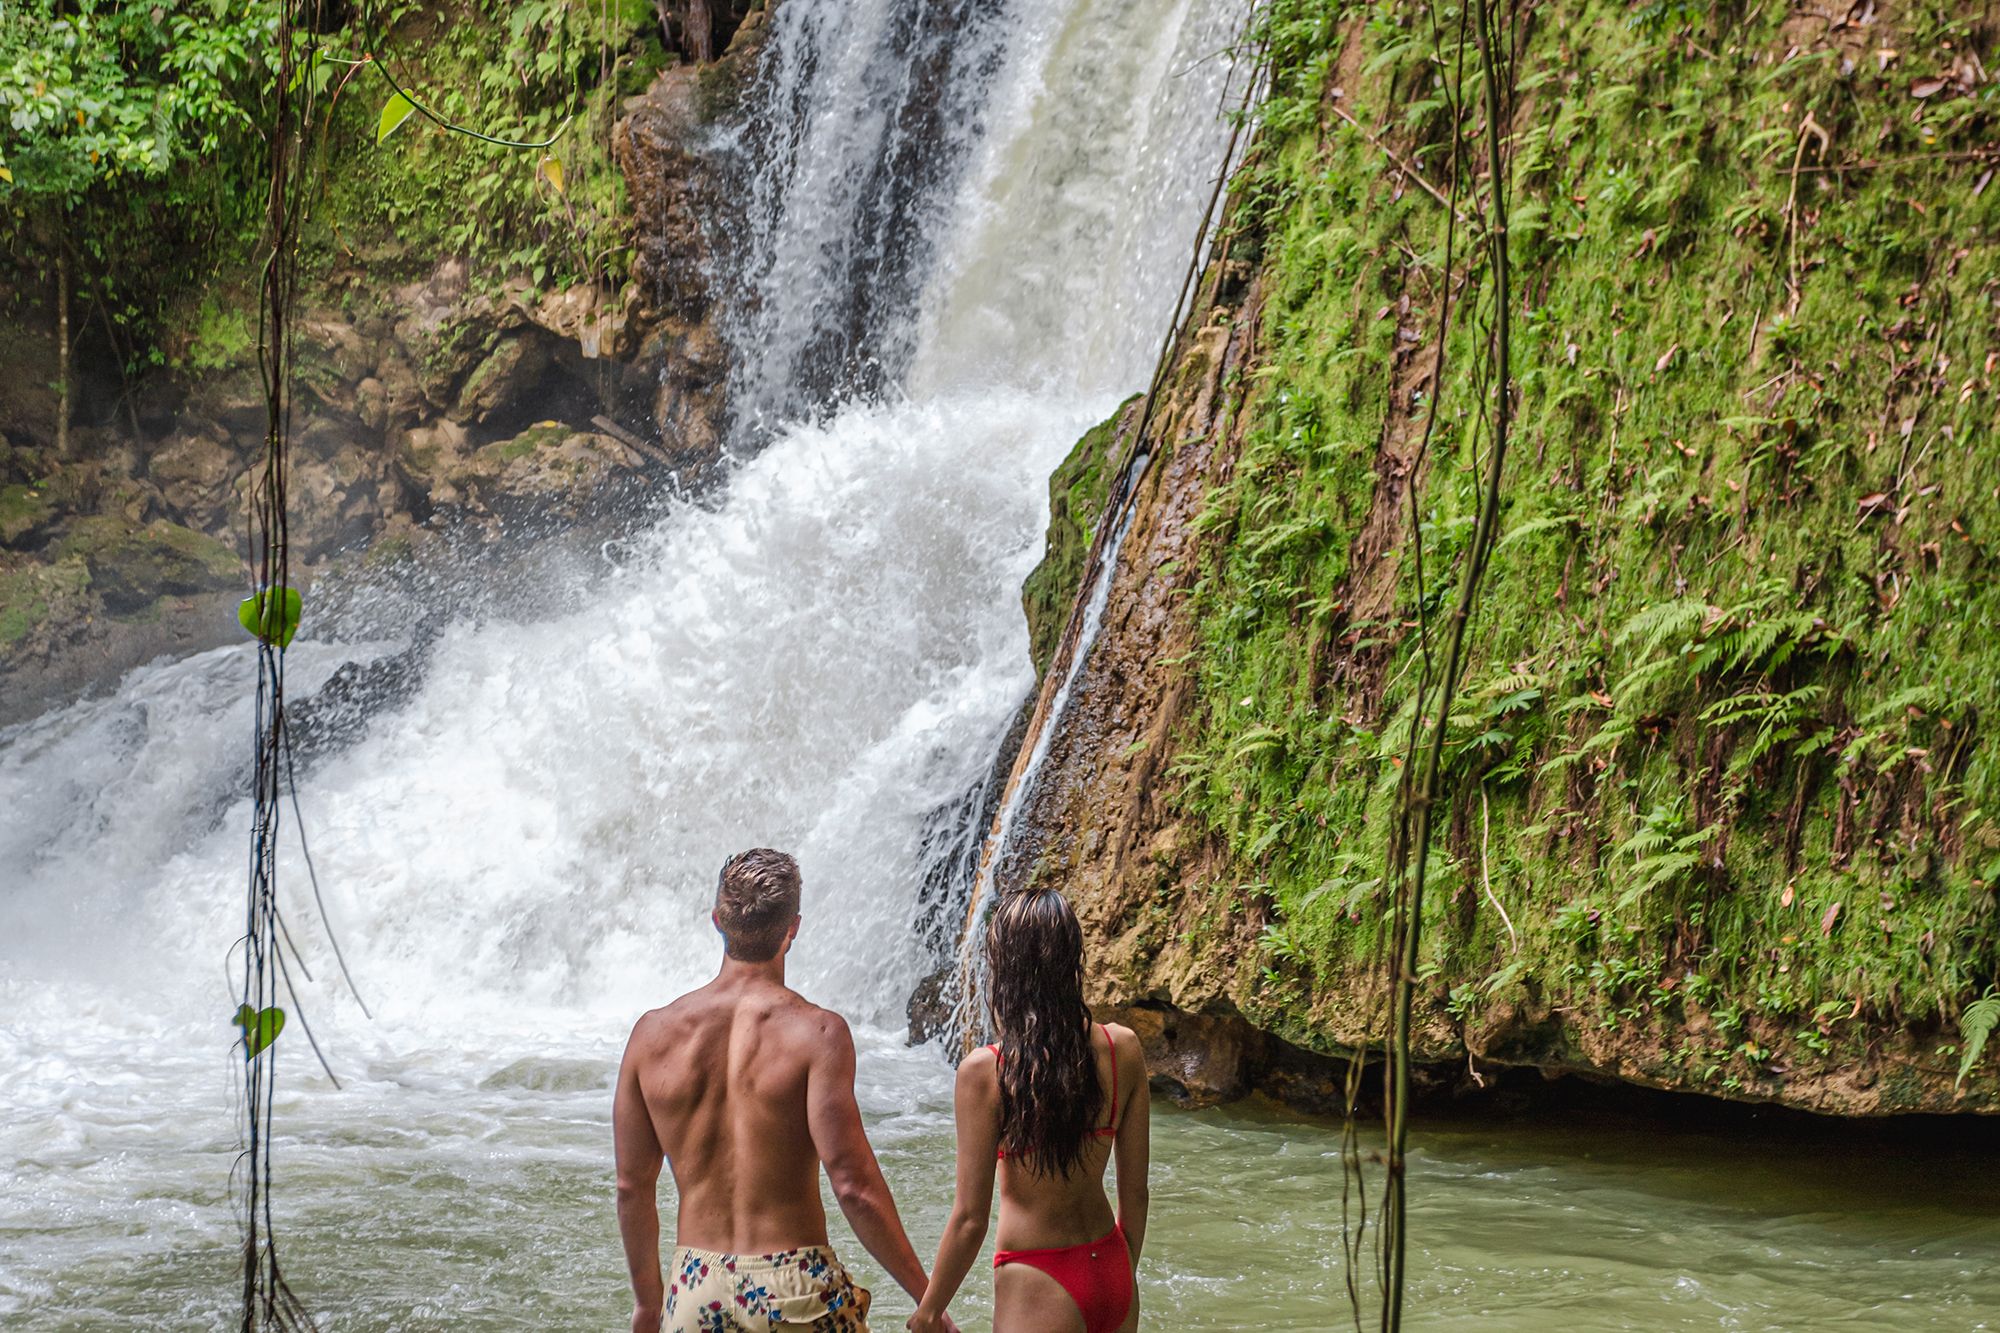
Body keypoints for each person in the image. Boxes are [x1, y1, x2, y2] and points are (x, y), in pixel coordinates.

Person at [614, 848, 954, 1333]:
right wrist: (929, 1301)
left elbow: (631, 1186)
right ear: (792, 928)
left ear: (717, 921)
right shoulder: (818, 1035)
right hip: (795, 1288)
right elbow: (854, 1186)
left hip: (695, 1288)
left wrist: (649, 1306)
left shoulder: (651, 1036)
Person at [909, 887, 1151, 1333]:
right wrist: (1118, 1276)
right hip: (1113, 1268)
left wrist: (928, 1312)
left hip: (1037, 1278)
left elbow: (969, 1219)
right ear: (1072, 958)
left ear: (1006, 968)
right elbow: (1135, 1197)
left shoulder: (987, 1072)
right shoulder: (1124, 1049)